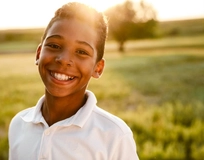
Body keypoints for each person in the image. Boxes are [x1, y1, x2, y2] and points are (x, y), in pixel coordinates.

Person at [8, 2, 139, 160]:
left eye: (81, 51)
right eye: (54, 45)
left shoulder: (115, 136)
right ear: (38, 54)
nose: (63, 60)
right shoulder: (19, 124)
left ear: (98, 68)